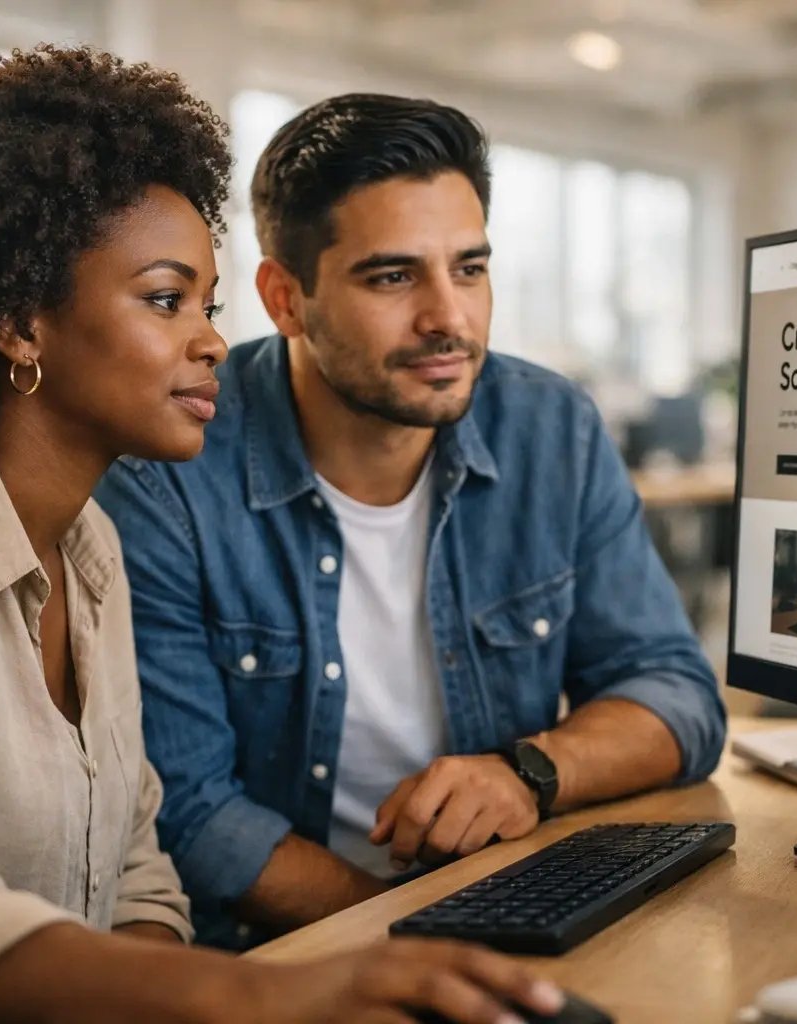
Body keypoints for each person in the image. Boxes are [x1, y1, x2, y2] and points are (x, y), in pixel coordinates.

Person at [0, 50, 562, 1024]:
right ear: (19, 325)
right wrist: (256, 993)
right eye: (165, 300)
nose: (211, 340)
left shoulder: (89, 551)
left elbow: (135, 880)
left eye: (208, 304)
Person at [95, 93, 728, 950]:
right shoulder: (169, 474)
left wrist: (530, 772)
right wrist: (425, 938)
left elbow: (677, 695)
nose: (449, 319)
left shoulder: (550, 429)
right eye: (393, 276)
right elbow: (194, 817)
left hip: (507, 902)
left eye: (469, 268)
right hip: (286, 956)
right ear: (286, 299)